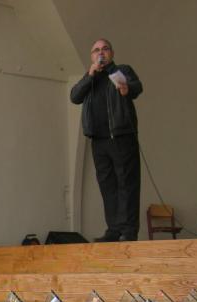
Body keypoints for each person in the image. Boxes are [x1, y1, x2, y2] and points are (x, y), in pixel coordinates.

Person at [70, 39, 143, 242]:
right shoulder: (90, 76)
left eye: (105, 49)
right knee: (107, 186)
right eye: (96, 50)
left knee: (126, 184)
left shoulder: (122, 70)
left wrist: (125, 87)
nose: (100, 53)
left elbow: (137, 87)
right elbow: (75, 96)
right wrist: (90, 74)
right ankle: (113, 229)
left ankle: (128, 231)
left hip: (121, 136)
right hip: (98, 140)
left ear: (112, 53)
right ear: (91, 56)